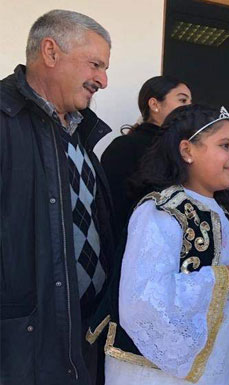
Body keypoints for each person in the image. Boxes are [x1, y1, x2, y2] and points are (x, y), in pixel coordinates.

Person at [102, 104, 229, 384]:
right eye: (225, 145)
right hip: (157, 375)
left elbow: (224, 294)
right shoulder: (160, 212)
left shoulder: (222, 215)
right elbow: (143, 301)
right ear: (187, 151)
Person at [0, 10, 115, 385]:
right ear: (50, 52)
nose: (103, 79)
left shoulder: (81, 133)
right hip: (23, 348)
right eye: (95, 64)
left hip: (83, 336)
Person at [101, 75, 192, 237]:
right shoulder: (125, 147)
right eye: (182, 100)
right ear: (155, 104)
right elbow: (112, 210)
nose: (189, 108)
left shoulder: (184, 150)